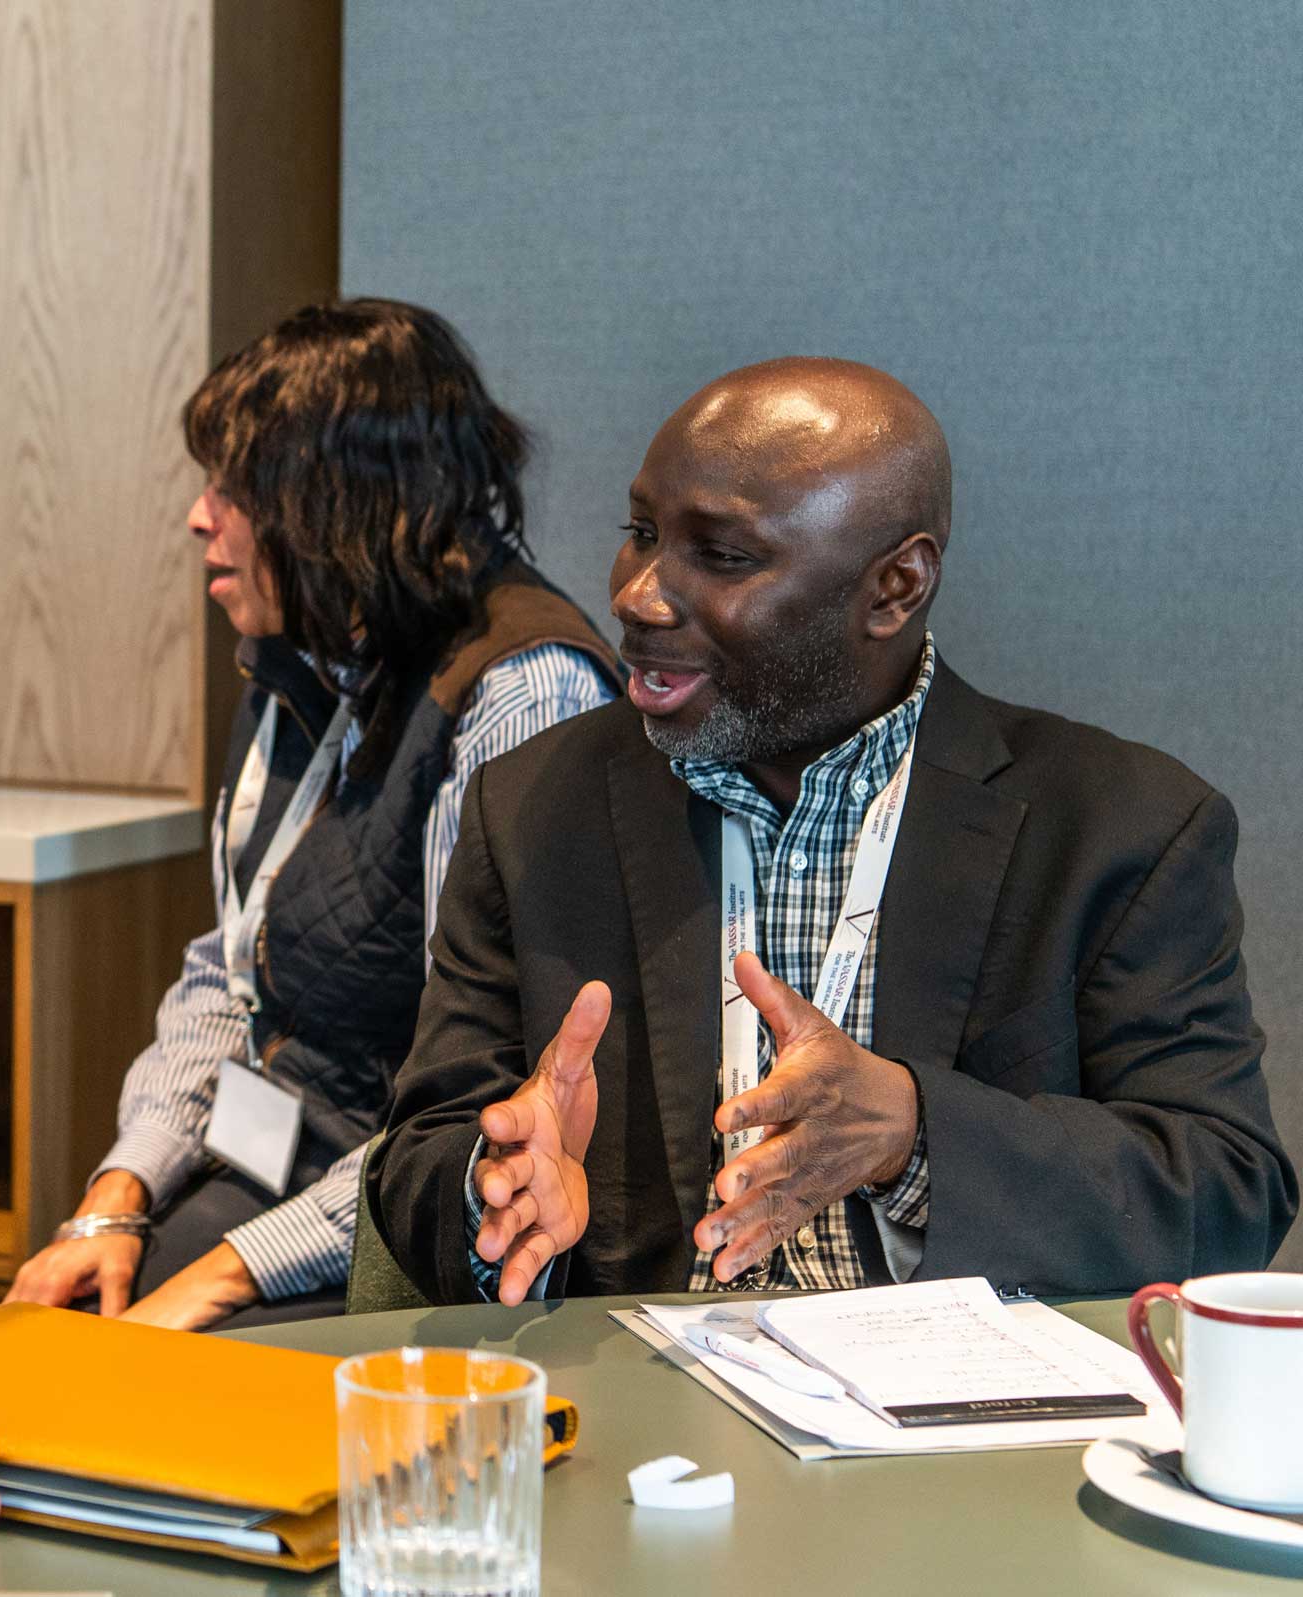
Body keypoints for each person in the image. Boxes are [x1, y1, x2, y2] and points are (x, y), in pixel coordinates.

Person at [370, 357, 1298, 1307]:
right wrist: (495, 1183)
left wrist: (914, 1131)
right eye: (641, 534)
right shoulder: (533, 805)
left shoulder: (1121, 828)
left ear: (895, 586)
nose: (639, 595)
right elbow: (417, 1158)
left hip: (969, 1425)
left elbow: (1226, 1192)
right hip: (643, 1410)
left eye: (722, 556)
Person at [5, 300, 620, 1332]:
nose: (201, 517)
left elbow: (484, 1098)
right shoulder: (324, 648)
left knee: (111, 1383)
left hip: (411, 1226)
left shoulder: (522, 692)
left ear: (341, 502)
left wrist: (222, 1272)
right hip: (269, 1167)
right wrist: (119, 1193)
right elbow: (229, 972)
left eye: (236, 489)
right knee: (52, 1325)